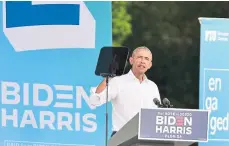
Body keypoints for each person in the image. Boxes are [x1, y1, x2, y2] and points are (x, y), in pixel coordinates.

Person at [89, 46, 161, 137]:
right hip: (121, 137)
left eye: (146, 59)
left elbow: (157, 114)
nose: (143, 61)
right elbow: (95, 100)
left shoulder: (152, 86)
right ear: (131, 60)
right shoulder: (118, 81)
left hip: (146, 137)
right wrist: (108, 78)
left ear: (150, 64)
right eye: (139, 57)